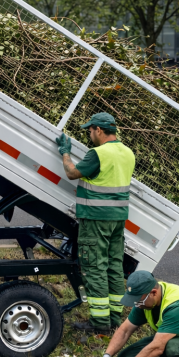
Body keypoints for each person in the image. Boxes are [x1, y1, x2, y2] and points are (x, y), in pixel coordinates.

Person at [56, 112, 135, 334]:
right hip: (118, 219)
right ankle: (115, 319)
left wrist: (64, 152)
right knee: (113, 267)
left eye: (89, 131)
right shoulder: (128, 153)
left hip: (96, 219)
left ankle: (100, 324)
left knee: (95, 267)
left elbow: (72, 173)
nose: (89, 135)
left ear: (99, 130)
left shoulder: (98, 154)